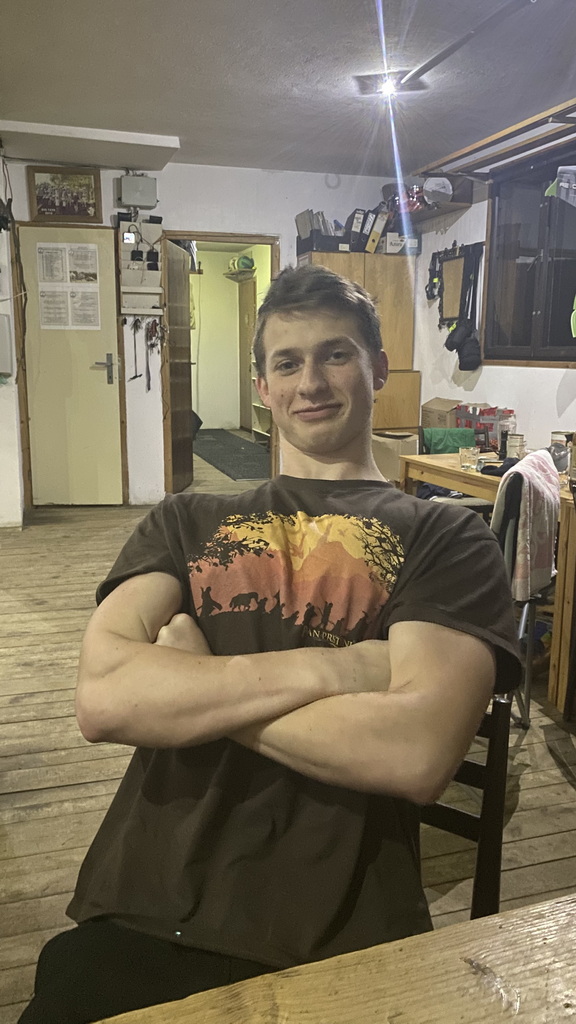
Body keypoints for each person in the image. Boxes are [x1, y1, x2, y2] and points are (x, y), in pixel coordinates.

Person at [19, 264, 520, 1023]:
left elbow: (415, 752)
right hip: (145, 904)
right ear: (262, 385)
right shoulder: (185, 520)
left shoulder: (446, 536)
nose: (310, 382)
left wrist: (196, 681)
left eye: (336, 355)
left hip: (340, 931)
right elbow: (104, 697)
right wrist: (341, 668)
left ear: (378, 368)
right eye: (287, 363)